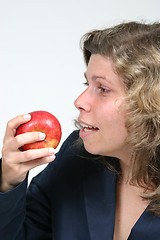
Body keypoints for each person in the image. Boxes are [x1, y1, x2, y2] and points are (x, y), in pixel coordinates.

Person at [0, 21, 160, 240]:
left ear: (152, 102)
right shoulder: (76, 157)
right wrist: (8, 181)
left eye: (103, 89)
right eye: (87, 85)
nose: (79, 101)